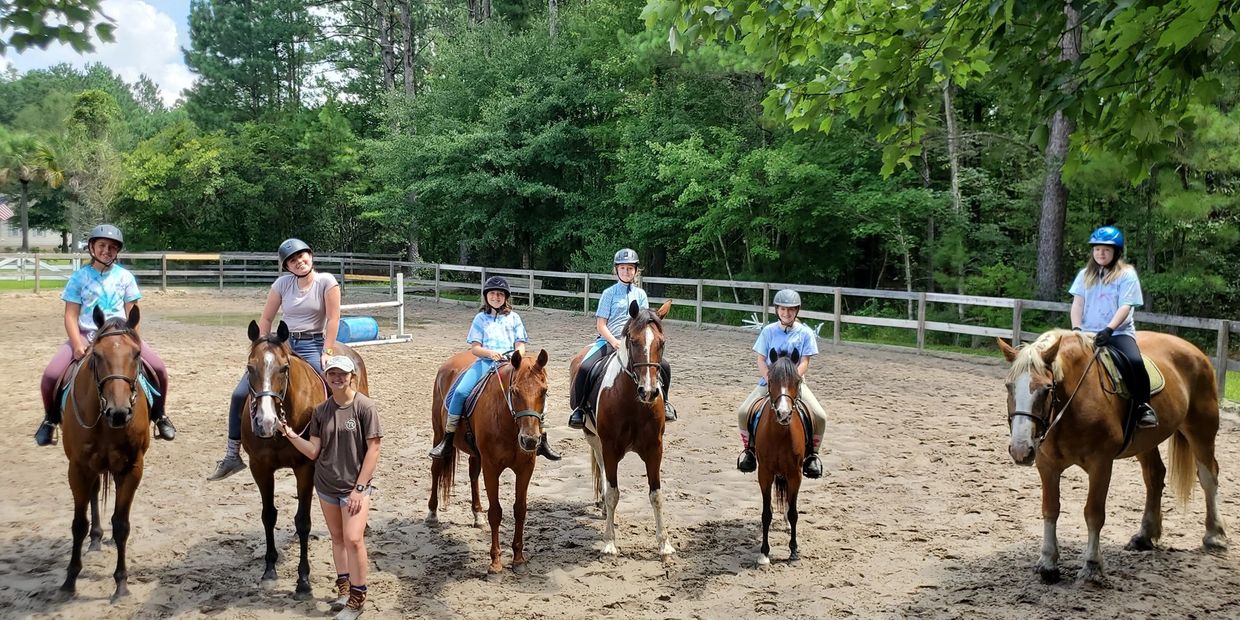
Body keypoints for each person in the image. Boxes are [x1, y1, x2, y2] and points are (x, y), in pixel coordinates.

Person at [208, 238, 341, 480]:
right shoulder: (282, 284)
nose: (299, 262)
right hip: (282, 344)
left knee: (332, 391)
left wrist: (328, 351)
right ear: (287, 266)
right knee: (239, 393)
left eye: (302, 256)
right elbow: (266, 319)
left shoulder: (326, 282)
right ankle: (231, 453)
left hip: (313, 344)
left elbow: (333, 319)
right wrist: (261, 347)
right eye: (292, 260)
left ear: (310, 256)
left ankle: (335, 449)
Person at [34, 224, 176, 446]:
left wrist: (134, 343)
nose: (106, 251)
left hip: (122, 337)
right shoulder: (79, 278)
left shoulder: (125, 277)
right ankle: (50, 420)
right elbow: (70, 316)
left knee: (158, 369)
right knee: (51, 375)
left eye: (112, 247)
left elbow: (133, 314)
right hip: (86, 336)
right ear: (92, 247)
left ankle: (160, 415)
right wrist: (76, 344)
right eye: (102, 245)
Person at [280, 355, 380, 620]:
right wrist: (289, 434)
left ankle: (358, 599)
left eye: (342, 373)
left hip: (354, 487)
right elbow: (313, 451)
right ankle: (344, 589)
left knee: (354, 539)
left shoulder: (364, 407)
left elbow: (374, 449)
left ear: (352, 376)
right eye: (332, 373)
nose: (337, 378)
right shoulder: (321, 411)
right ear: (326, 376)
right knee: (337, 539)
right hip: (326, 485)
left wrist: (359, 488)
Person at [429, 276, 560, 460]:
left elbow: (520, 344)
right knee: (459, 392)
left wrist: (516, 355)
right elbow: (475, 348)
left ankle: (543, 438)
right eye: (492, 294)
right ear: (486, 296)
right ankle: (448, 437)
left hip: (511, 364)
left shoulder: (514, 318)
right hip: (485, 363)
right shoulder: (480, 318)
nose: (496, 297)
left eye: (500, 294)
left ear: (505, 297)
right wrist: (490, 353)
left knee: (536, 394)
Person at [567, 248, 676, 429]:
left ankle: (665, 403)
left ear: (636, 271)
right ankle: (579, 408)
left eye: (630, 268)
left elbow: (645, 322)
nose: (627, 271)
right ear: (616, 270)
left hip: (635, 343)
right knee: (585, 367)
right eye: (623, 268)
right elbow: (601, 325)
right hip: (610, 340)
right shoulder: (608, 294)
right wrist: (614, 341)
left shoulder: (640, 295)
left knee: (664, 366)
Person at [1070, 225, 1157, 428]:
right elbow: (1078, 303)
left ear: (1116, 252)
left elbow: (1125, 306)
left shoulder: (1127, 275)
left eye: (1106, 250)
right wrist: (1076, 329)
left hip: (1117, 333)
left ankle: (1144, 407)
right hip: (1086, 333)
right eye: (1097, 249)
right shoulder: (1084, 275)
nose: (1101, 253)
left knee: (1135, 362)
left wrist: (1109, 329)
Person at [734, 289, 826, 479]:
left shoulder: (805, 333)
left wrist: (793, 380)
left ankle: (812, 455)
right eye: (783, 309)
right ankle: (749, 451)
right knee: (743, 412)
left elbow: (805, 361)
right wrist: (770, 379)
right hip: (769, 382)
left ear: (797, 311)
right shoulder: (768, 331)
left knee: (820, 416)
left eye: (791, 310)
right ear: (777, 310)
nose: (787, 313)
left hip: (795, 384)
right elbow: (761, 359)